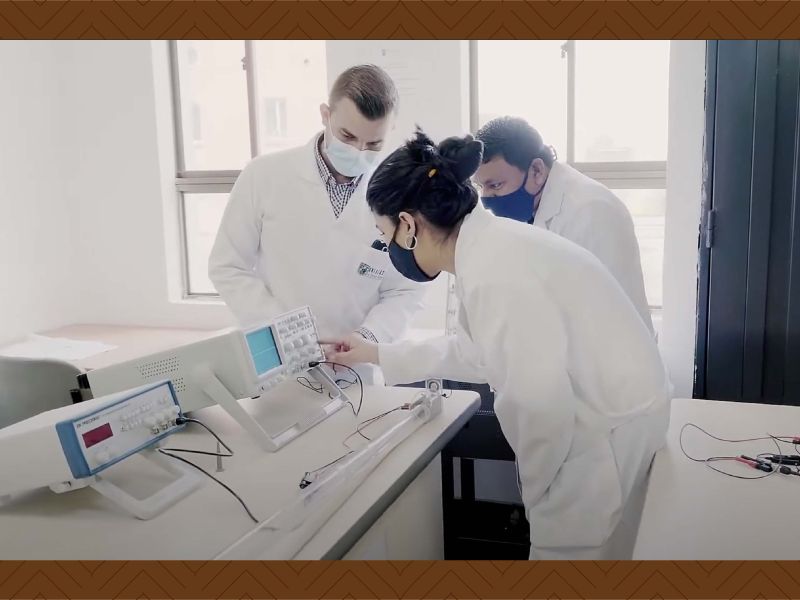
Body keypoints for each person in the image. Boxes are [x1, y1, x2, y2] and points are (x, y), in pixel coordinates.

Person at [322, 129, 671, 560]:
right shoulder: (489, 246)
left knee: (565, 551)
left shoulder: (494, 270)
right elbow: (476, 352)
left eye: (384, 234)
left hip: (601, 441)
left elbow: (537, 406)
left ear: (409, 225)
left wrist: (541, 499)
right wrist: (375, 352)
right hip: (614, 417)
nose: (388, 246)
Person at [208, 65, 425, 384]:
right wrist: (284, 331)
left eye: (373, 144)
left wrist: (369, 337)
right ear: (325, 115)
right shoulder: (264, 176)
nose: (358, 152)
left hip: (358, 372)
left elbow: (406, 290)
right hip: (280, 365)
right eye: (348, 136)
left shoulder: (401, 193)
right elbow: (227, 267)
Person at [474, 116, 653, 334]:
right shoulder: (535, 206)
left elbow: (598, 315)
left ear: (537, 171)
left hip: (611, 358)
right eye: (481, 186)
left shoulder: (590, 212)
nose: (486, 197)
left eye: (495, 185)